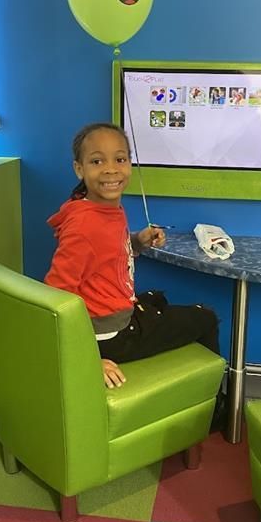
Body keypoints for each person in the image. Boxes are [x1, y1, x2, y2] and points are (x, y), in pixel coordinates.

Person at [44, 122, 226, 428]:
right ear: (79, 169)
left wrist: (137, 242)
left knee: (159, 301)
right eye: (97, 161)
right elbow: (55, 298)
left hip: (118, 316)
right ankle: (213, 413)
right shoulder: (84, 225)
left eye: (120, 159)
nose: (111, 170)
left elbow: (105, 252)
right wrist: (87, 360)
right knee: (205, 317)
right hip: (109, 339)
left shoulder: (99, 208)